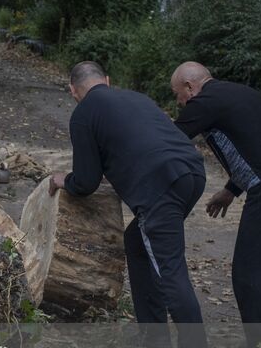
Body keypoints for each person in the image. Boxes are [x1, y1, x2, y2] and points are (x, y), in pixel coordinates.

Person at [50, 62, 207, 334]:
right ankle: (152, 335)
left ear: (72, 90)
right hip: (192, 173)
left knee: (170, 271)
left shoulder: (83, 114)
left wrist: (63, 180)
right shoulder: (136, 97)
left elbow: (86, 181)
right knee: (136, 241)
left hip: (162, 184)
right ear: (107, 81)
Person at [171, 63, 261, 335]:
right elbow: (259, 146)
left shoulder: (205, 101)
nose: (179, 103)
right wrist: (231, 190)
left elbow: (167, 139)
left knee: (250, 273)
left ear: (190, 87)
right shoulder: (239, 93)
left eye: (178, 95)